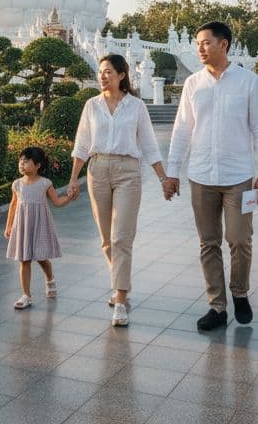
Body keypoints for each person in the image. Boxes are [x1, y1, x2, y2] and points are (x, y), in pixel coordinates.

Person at [167, 21, 258, 330]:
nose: (199, 48)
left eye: (205, 42)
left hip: (239, 176)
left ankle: (239, 292)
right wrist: (172, 172)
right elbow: (181, 131)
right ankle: (217, 306)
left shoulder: (248, 82)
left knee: (240, 240)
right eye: (197, 43)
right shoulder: (193, 84)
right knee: (208, 243)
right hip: (201, 176)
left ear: (223, 45)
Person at [67, 54, 171, 327]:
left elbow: (149, 144)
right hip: (97, 170)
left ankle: (121, 299)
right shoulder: (91, 105)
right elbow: (81, 144)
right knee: (105, 239)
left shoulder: (136, 107)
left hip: (128, 172)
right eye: (100, 72)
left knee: (121, 237)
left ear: (121, 75)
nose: (102, 76)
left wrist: (163, 178)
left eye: (108, 71)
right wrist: (72, 180)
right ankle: (120, 282)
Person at [5, 146, 78, 309]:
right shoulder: (17, 184)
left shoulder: (45, 183)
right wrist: (9, 225)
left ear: (38, 165)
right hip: (23, 226)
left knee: (40, 257)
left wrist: (69, 197)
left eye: (27, 161)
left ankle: (50, 278)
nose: (22, 164)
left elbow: (57, 202)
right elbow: (13, 204)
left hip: (40, 225)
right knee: (24, 260)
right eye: (21, 161)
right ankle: (26, 295)